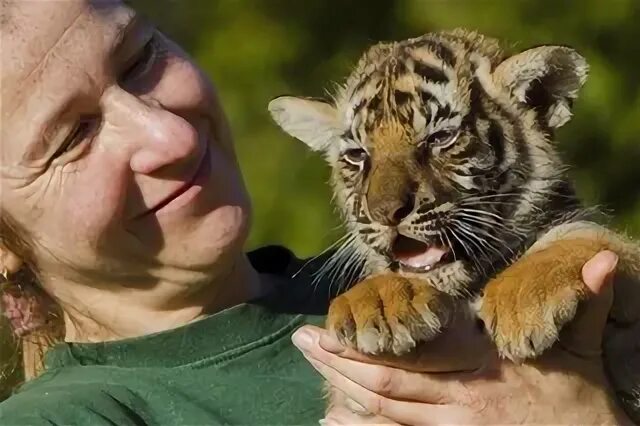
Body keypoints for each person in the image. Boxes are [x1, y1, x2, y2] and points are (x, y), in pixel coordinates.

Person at [0, 0, 634, 424]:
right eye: (71, 136)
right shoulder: (71, 415)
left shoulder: (379, 283)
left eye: (139, 60)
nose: (173, 137)